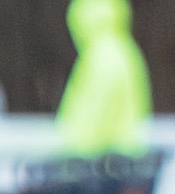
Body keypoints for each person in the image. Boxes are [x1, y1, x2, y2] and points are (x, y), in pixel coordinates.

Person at [55, 0, 151, 157]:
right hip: (124, 158)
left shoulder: (103, 56)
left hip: (102, 163)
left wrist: (70, 153)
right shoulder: (124, 49)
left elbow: (92, 116)